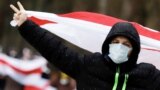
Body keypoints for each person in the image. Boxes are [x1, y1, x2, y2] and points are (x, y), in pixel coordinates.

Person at [10, 2, 160, 90]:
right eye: (115, 42)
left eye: (126, 44)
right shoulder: (89, 66)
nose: (120, 46)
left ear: (134, 50)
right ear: (108, 45)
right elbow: (55, 50)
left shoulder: (147, 75)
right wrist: (26, 26)